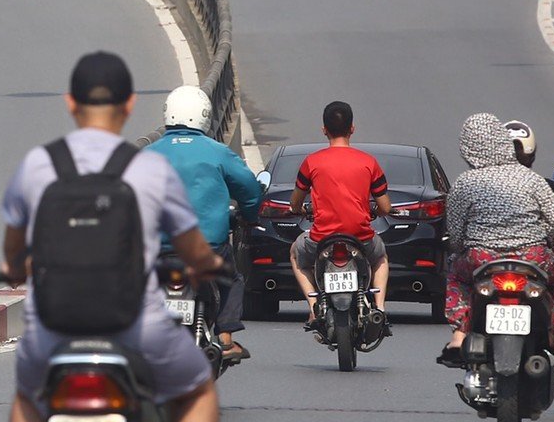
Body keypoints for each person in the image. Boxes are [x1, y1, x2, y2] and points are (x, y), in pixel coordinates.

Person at [0, 52, 229, 422]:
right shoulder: (148, 170)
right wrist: (206, 264)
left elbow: (14, 247)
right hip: (135, 328)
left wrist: (18, 268)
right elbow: (191, 248)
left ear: (70, 103)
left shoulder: (39, 165)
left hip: (52, 329)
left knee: (27, 395)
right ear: (128, 105)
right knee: (199, 391)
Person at [438, 113, 554, 368]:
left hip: (481, 260)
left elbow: (456, 236)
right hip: (533, 257)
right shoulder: (533, 180)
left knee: (455, 276)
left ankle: (459, 335)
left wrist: (460, 252)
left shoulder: (464, 183)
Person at [146, 85, 263, 364]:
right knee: (232, 279)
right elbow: (249, 190)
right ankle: (225, 339)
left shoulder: (147, 154)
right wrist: (250, 215)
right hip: (207, 246)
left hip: (159, 245)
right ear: (204, 116)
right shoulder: (217, 152)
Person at [288, 100, 390, 327]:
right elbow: (385, 207)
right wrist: (372, 209)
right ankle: (380, 308)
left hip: (321, 239)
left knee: (296, 252)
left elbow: (295, 202)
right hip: (361, 238)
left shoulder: (311, 162)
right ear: (352, 128)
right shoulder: (369, 163)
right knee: (381, 257)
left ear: (324, 130)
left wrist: (300, 210)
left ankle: (313, 307)